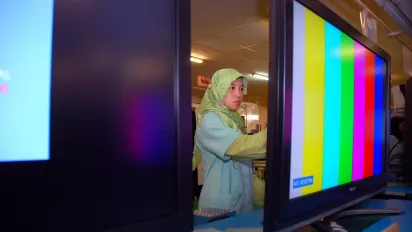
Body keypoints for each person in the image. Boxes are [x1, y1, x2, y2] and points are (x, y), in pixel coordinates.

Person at [192, 68, 267, 215]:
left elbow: (247, 171)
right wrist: (282, 128)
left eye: (240, 88)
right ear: (218, 90)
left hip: (243, 204)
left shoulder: (235, 122)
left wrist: (268, 197)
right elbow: (243, 147)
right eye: (231, 87)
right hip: (219, 208)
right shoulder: (209, 121)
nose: (239, 94)